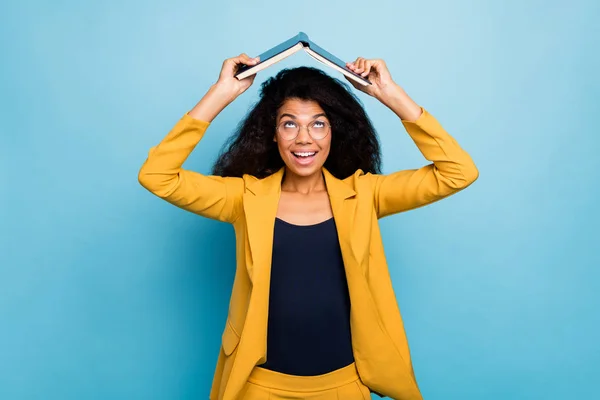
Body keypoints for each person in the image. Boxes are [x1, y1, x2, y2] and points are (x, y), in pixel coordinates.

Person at [138, 52, 479, 400]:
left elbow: (458, 172)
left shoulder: (365, 195)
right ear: (272, 134)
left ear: (334, 132)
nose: (304, 138)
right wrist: (221, 93)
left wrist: (389, 94)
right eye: (289, 124)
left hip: (343, 387)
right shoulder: (243, 199)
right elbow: (156, 176)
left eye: (318, 123)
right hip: (259, 387)